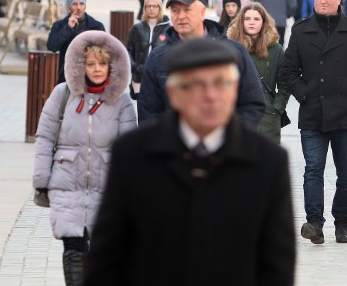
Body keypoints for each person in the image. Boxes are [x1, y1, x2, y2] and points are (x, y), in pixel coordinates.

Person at [85, 38, 296, 285]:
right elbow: (106, 260)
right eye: (197, 85)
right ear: (175, 94)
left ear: (235, 90)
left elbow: (277, 267)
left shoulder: (268, 162)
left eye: (221, 84)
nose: (210, 96)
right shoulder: (133, 155)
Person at [32, 31, 136, 286]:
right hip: (67, 183)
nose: (97, 69)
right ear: (81, 66)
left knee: (103, 251)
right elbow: (45, 137)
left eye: (102, 64)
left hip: (106, 186)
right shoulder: (63, 94)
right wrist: (42, 178)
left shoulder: (121, 100)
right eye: (91, 64)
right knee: (74, 248)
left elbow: (130, 146)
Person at [281, 0, 347, 245]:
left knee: (346, 173)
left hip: (345, 112)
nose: (323, 1)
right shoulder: (301, 31)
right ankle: (314, 223)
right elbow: (289, 70)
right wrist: (304, 94)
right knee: (313, 169)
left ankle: (342, 222)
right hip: (313, 113)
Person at [137, 0, 265, 127]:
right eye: (175, 10)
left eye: (187, 10)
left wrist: (231, 139)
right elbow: (148, 112)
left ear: (202, 12)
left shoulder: (234, 52)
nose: (181, 16)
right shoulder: (158, 57)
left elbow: (253, 103)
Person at [227, 3, 290, 142]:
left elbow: (285, 83)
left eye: (256, 19)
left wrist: (277, 108)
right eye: (247, 18)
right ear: (241, 21)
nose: (251, 22)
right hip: (237, 115)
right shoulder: (229, 47)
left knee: (268, 161)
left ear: (263, 22)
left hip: (268, 116)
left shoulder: (276, 50)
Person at [47, 0, 106, 84]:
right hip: (68, 76)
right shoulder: (59, 25)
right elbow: (52, 46)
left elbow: (104, 52)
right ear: (69, 8)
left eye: (81, 4)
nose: (78, 7)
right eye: (74, 4)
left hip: (90, 76)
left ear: (85, 6)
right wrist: (68, 28)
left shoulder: (97, 26)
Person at [126, 0, 170, 100]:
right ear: (144, 8)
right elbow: (128, 51)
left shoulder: (168, 29)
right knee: (142, 107)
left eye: (155, 6)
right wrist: (135, 67)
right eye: (148, 6)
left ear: (160, 8)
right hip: (139, 77)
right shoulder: (137, 28)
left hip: (159, 77)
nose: (151, 9)